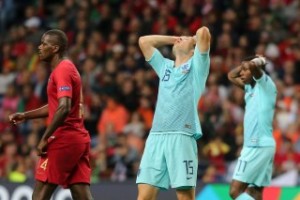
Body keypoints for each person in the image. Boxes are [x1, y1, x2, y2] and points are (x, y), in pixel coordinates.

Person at [9, 29, 93, 200]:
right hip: (77, 138)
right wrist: (25, 115)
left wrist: (45, 138)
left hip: (64, 139)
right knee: (81, 194)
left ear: (55, 48)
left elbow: (64, 107)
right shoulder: (64, 68)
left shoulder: (63, 69)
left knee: (39, 196)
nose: (39, 47)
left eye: (44, 44)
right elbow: (56, 106)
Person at [136, 26, 211, 200]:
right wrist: (175, 39)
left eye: (184, 40)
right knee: (144, 196)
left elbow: (204, 32)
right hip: (156, 137)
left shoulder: (197, 66)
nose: (181, 40)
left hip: (182, 135)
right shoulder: (165, 67)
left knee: (184, 196)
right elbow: (144, 41)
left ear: (193, 51)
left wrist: (191, 39)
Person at [227, 56, 277, 200]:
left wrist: (256, 62)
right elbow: (231, 75)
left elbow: (253, 68)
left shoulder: (267, 85)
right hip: (262, 146)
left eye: (244, 71)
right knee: (255, 192)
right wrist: (246, 65)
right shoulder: (249, 87)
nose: (241, 73)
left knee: (235, 192)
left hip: (257, 146)